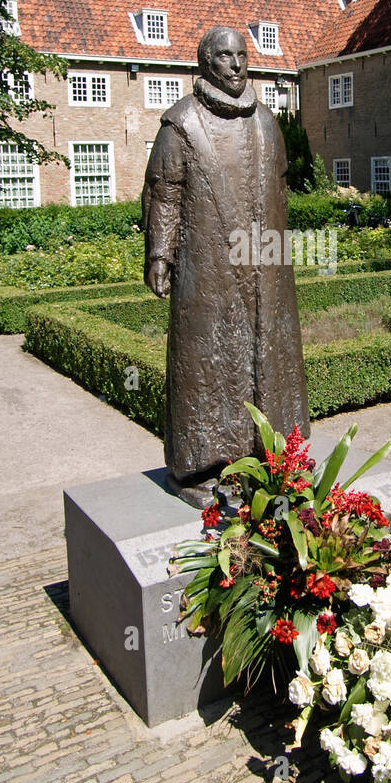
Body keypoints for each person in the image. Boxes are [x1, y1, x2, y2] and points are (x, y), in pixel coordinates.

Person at [142, 26, 310, 506]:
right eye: (224, 56)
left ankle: (271, 456)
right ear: (205, 62)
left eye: (241, 55)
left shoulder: (266, 122)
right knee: (205, 361)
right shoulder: (181, 125)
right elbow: (164, 192)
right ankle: (201, 467)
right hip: (206, 265)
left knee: (267, 354)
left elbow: (278, 194)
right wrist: (160, 253)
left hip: (264, 263)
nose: (236, 64)